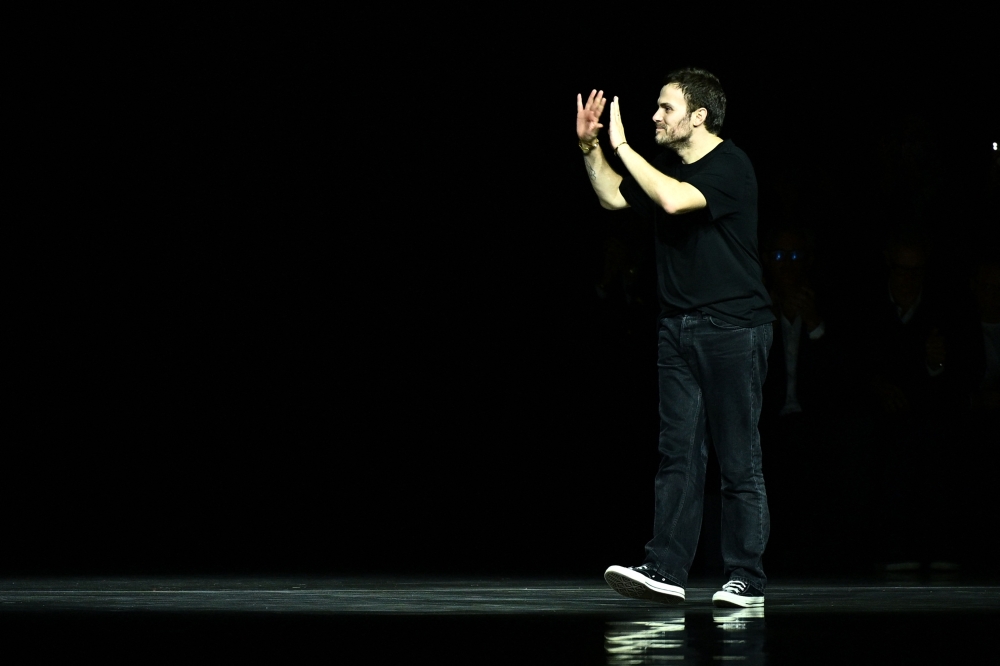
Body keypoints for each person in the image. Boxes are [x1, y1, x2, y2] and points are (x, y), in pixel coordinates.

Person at [576, 68, 774, 608]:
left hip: (734, 327)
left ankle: (746, 578)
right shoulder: (665, 166)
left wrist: (622, 146)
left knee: (738, 457)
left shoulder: (731, 165)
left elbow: (672, 201)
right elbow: (615, 199)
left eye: (666, 108)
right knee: (678, 454)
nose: (656, 116)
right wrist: (592, 147)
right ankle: (665, 567)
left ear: (699, 115)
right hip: (677, 328)